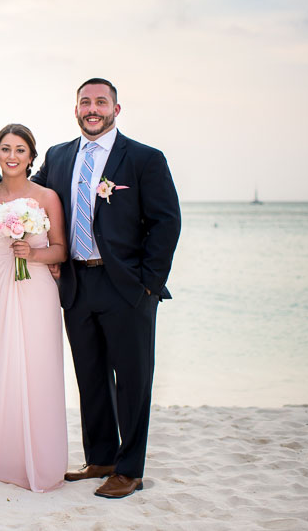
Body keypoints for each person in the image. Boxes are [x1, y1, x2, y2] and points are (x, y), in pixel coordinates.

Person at [32, 78, 181, 499]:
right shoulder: (59, 157)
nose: (92, 108)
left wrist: (148, 284)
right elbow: (32, 198)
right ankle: (100, 458)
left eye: (101, 102)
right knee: (91, 377)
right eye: (85, 102)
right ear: (75, 109)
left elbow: (166, 222)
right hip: (77, 282)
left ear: (117, 109)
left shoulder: (144, 159)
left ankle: (130, 469)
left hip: (127, 287)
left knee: (132, 381)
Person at [0, 124, 68, 491]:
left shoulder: (47, 196)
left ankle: (34, 456)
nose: (12, 156)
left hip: (36, 289)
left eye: (20, 150)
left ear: (31, 157)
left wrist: (34, 254)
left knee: (36, 368)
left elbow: (61, 250)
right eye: (5, 149)